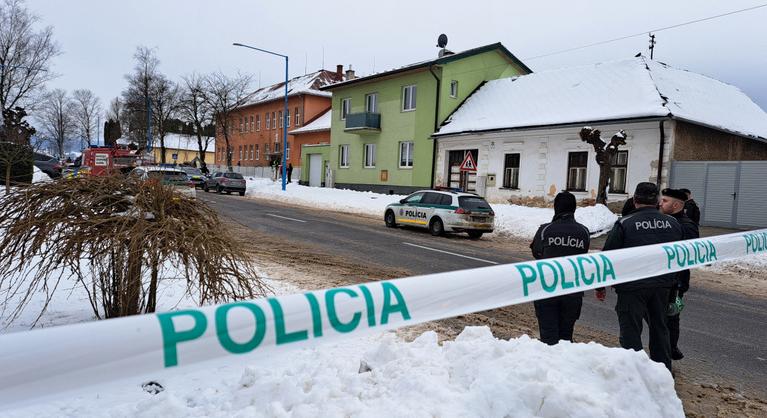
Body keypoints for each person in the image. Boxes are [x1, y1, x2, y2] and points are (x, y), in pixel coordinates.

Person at [599, 182, 683, 372]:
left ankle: (634, 373)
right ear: (658, 201)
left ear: (635, 200)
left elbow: (608, 257)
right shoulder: (673, 223)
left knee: (631, 330)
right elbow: (679, 256)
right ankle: (662, 373)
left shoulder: (624, 224)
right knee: (660, 328)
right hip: (663, 286)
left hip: (632, 287)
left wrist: (601, 285)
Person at [529, 191, 591, 345]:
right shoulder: (584, 232)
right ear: (574, 209)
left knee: (549, 338)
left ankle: (550, 367)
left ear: (556, 208)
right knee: (565, 338)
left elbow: (537, 252)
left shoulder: (545, 230)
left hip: (547, 290)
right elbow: (583, 254)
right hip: (572, 291)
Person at [660, 188, 700, 360]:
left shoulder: (686, 225)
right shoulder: (663, 221)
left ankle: (669, 350)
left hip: (676, 282)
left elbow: (690, 254)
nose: (660, 203)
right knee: (660, 317)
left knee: (671, 318)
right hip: (662, 278)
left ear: (676, 205)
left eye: (665, 201)